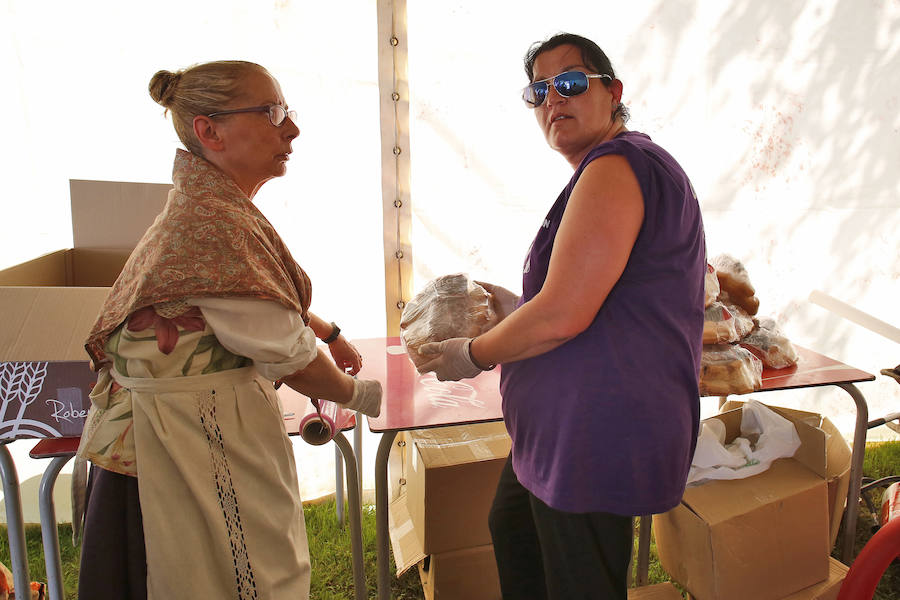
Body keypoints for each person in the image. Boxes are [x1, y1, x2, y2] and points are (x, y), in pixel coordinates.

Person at [74, 60, 382, 600]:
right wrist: (362, 394)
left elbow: (241, 292)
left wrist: (328, 333)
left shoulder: (207, 207)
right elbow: (290, 357)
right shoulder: (212, 221)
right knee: (220, 579)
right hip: (177, 450)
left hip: (162, 439)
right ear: (208, 131)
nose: (291, 128)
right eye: (272, 113)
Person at [417, 33, 706, 599]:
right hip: (560, 432)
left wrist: (472, 354)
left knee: (579, 580)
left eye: (571, 83)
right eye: (539, 91)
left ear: (613, 91)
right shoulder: (604, 168)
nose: (555, 99)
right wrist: (514, 306)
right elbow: (594, 296)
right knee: (516, 530)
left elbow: (565, 314)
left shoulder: (618, 165)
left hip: (594, 430)